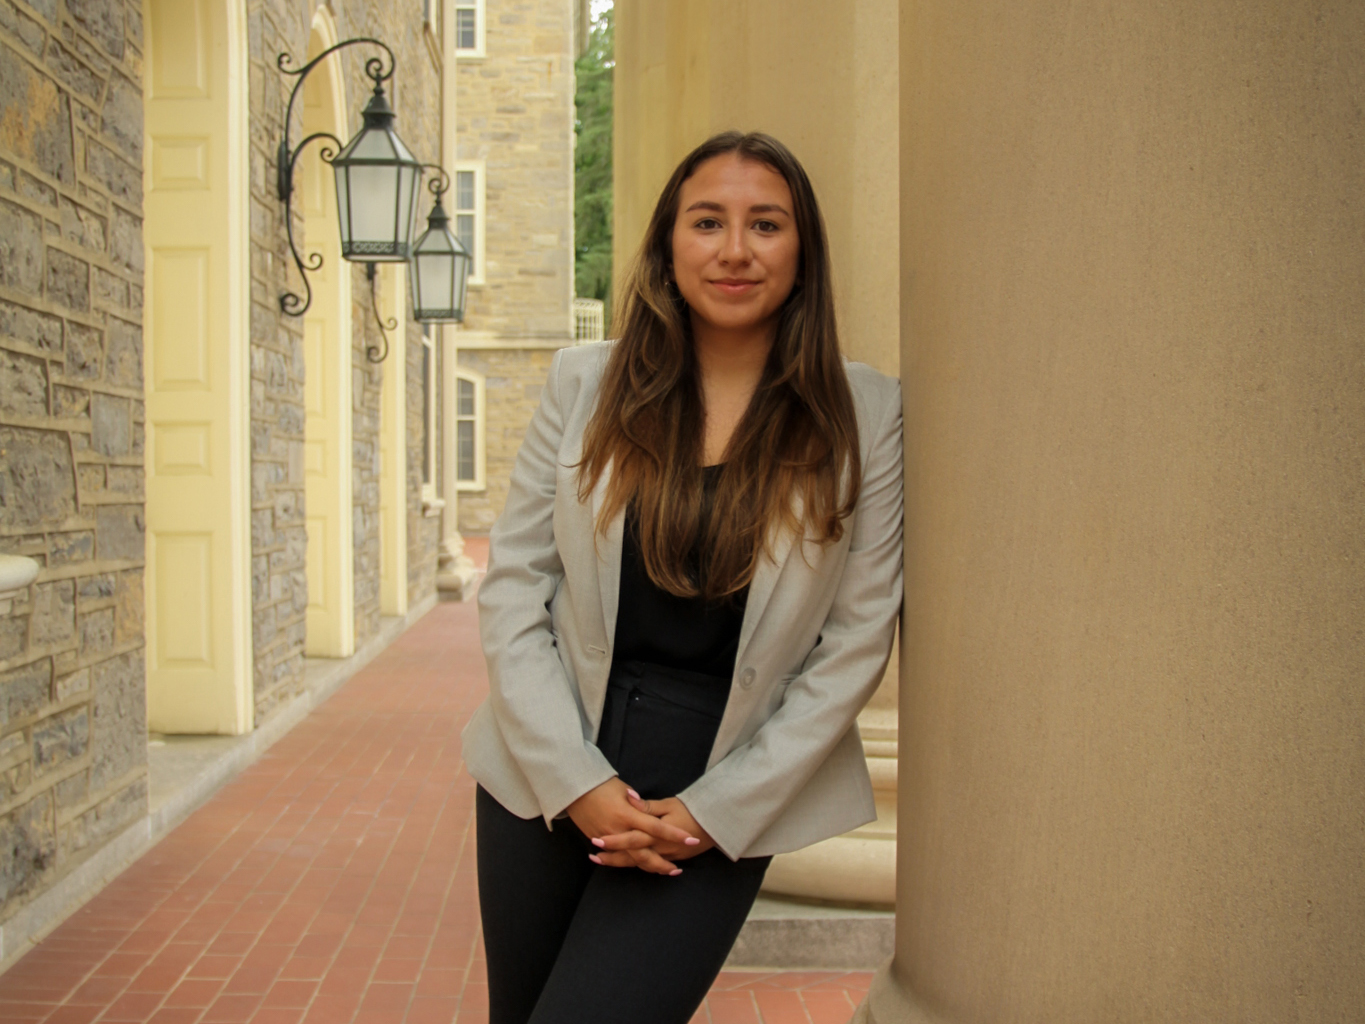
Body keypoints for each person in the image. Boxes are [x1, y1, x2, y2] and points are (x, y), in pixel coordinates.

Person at [462, 131, 903, 1024]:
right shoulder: (584, 383)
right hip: (546, 766)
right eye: (707, 222)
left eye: (765, 224)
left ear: (802, 249)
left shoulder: (866, 414)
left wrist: (715, 812)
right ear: (670, 243)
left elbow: (856, 640)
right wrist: (575, 784)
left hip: (722, 790)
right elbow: (515, 586)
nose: (734, 250)